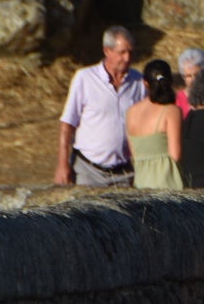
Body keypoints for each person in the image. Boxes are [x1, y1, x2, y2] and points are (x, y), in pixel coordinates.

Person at [56, 26, 145, 187]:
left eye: (130, 52)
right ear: (107, 51)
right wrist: (63, 165)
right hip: (88, 171)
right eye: (122, 52)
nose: (127, 58)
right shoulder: (85, 79)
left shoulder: (138, 81)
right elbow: (67, 124)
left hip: (124, 173)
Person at [124, 59, 184, 190]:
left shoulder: (131, 112)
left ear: (145, 83)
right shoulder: (171, 111)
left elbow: (134, 154)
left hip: (141, 182)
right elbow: (175, 154)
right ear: (170, 81)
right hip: (168, 182)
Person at [175, 48, 204, 116]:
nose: (194, 79)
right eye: (189, 76)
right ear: (183, 77)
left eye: (197, 75)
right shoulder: (177, 100)